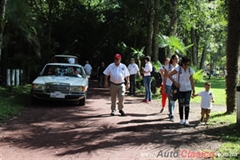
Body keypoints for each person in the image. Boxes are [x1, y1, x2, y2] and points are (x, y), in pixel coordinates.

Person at [168, 56, 195, 126]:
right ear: (182, 63)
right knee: (181, 104)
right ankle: (181, 119)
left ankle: (186, 119)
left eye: (188, 64)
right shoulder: (178, 69)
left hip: (188, 89)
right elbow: (169, 75)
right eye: (185, 64)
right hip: (180, 89)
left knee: (187, 104)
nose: (186, 66)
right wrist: (175, 82)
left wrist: (193, 90)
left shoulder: (190, 70)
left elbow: (192, 80)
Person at [163, 55, 179, 121]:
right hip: (169, 84)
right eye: (176, 59)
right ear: (172, 59)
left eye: (178, 59)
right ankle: (171, 114)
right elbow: (165, 77)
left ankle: (171, 112)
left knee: (174, 99)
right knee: (170, 99)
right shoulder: (168, 67)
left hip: (176, 85)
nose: (177, 60)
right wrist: (164, 87)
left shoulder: (179, 67)